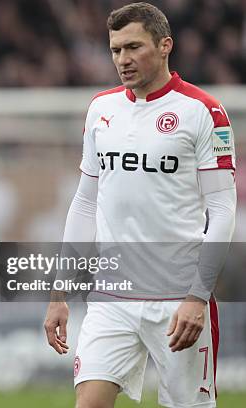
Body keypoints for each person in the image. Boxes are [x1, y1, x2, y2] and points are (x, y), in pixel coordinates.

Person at [43, 3, 236, 408]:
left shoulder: (203, 112)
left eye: (133, 47)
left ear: (165, 45)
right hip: (111, 295)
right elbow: (84, 203)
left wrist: (197, 297)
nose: (123, 60)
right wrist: (59, 290)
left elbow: (221, 209)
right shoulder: (102, 109)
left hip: (177, 296)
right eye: (115, 50)